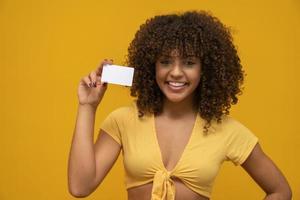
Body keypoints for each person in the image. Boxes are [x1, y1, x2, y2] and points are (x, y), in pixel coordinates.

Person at [68, 10, 292, 200]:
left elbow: (280, 191)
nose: (175, 72)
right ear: (151, 66)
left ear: (205, 69)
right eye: (165, 61)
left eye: (189, 62)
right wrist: (88, 106)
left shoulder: (227, 130)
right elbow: (80, 186)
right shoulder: (123, 120)